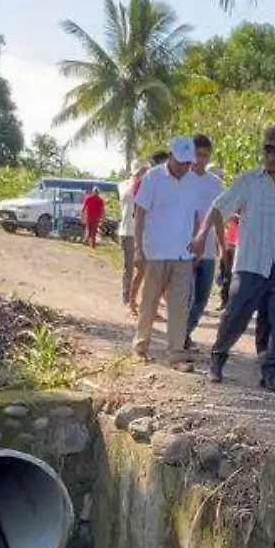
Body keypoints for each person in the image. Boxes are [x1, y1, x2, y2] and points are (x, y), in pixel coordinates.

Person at [201, 125, 275, 391]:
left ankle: (270, 373)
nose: (273, 157)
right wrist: (205, 239)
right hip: (251, 263)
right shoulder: (249, 181)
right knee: (235, 316)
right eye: (269, 151)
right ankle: (218, 359)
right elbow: (219, 208)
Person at [131, 137, 210, 371]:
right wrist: (138, 248)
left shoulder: (193, 182)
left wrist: (197, 242)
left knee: (179, 306)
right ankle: (140, 348)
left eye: (189, 163)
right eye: (181, 162)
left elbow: (196, 216)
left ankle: (176, 355)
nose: (185, 167)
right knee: (150, 302)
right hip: (156, 251)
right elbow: (140, 215)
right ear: (172, 157)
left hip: (183, 254)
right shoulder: (153, 178)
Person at [181, 134, 224, 351]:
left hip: (207, 250)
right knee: (184, 296)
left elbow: (219, 217)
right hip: (184, 248)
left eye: (205, 155)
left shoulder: (216, 184)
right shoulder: (182, 179)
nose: (200, 159)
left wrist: (223, 247)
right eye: (197, 154)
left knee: (202, 298)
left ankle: (185, 332)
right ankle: (179, 336)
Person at [117, 158, 146, 310]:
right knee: (128, 266)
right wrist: (136, 182)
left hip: (142, 232)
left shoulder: (147, 185)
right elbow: (128, 197)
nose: (142, 174)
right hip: (127, 231)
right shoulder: (124, 185)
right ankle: (126, 296)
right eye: (140, 171)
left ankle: (135, 298)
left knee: (143, 267)